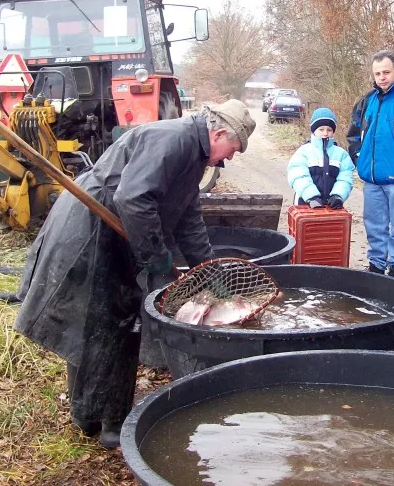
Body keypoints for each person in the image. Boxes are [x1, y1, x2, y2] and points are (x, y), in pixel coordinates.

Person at [14, 100, 255, 449]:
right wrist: (157, 262)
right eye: (232, 149)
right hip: (93, 229)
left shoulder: (193, 155)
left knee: (110, 323)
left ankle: (95, 415)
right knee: (109, 324)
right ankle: (106, 423)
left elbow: (188, 218)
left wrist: (210, 270)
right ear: (218, 133)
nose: (230, 158)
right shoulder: (172, 140)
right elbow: (133, 200)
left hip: (116, 230)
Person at [347, 50, 394, 278]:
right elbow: (353, 135)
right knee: (374, 224)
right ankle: (376, 264)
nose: (382, 77)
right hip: (372, 178)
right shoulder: (365, 101)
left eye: (386, 72)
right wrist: (360, 160)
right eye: (378, 73)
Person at [287, 107, 354, 208]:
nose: (325, 133)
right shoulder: (304, 152)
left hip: (331, 206)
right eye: (321, 129)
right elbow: (298, 175)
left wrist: (338, 196)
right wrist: (311, 196)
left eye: (329, 130)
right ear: (314, 130)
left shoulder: (341, 154)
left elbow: (345, 178)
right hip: (305, 203)